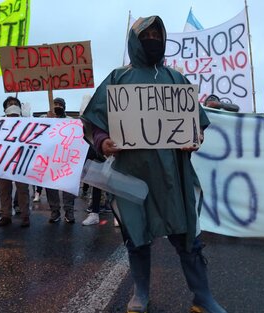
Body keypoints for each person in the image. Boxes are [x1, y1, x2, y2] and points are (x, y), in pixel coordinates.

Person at [82, 16, 227, 313]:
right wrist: (102, 142)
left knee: (187, 234)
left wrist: (195, 137)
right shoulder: (117, 78)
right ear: (135, 40)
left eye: (156, 34)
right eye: (145, 34)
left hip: (174, 174)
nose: (151, 39)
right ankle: (141, 293)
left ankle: (202, 297)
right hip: (131, 174)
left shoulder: (176, 79)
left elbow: (196, 123)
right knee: (136, 235)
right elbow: (94, 122)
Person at [0, 96, 31, 228]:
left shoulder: (28, 123)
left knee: (23, 190)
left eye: (15, 103)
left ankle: (25, 216)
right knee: (4, 190)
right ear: (5, 109)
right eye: (10, 104)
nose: (13, 105)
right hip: (2, 161)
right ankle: (6, 216)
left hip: (21, 162)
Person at [45, 97, 76, 224]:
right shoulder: (46, 120)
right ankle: (55, 211)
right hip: (51, 159)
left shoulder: (71, 121)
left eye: (60, 104)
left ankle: (69, 212)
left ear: (64, 107)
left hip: (66, 159)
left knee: (67, 186)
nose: (57, 106)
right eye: (55, 104)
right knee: (50, 186)